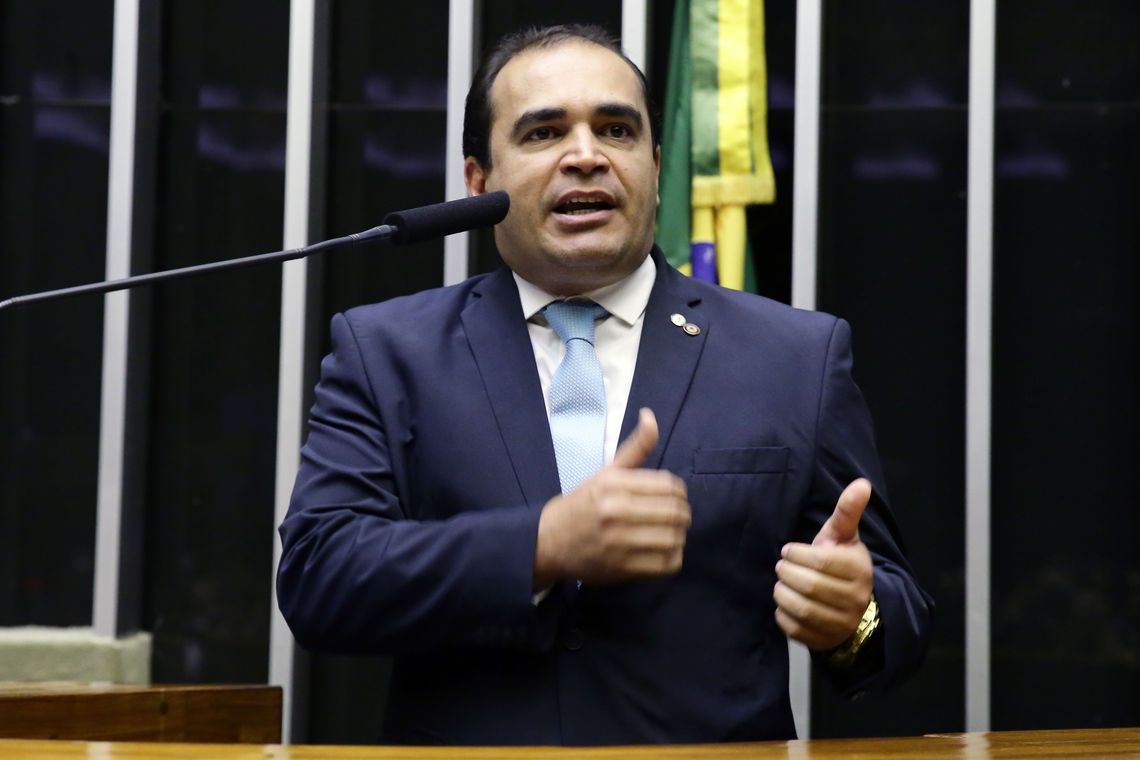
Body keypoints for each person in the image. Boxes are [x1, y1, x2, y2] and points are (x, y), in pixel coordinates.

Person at [277, 24, 932, 745]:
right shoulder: (386, 351)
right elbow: (319, 580)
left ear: (655, 164)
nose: (586, 156)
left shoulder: (794, 356)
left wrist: (855, 617)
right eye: (543, 133)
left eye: (616, 130)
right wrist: (541, 545)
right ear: (478, 180)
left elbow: (900, 620)